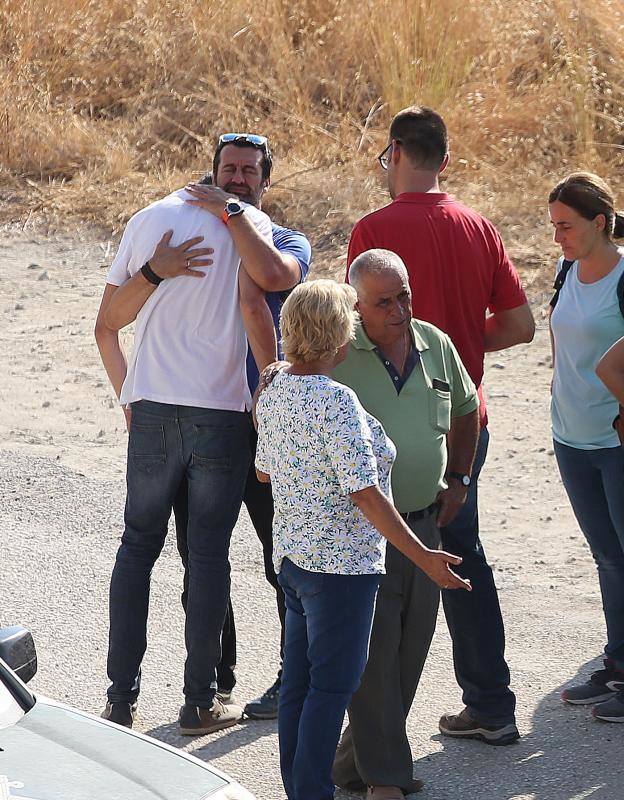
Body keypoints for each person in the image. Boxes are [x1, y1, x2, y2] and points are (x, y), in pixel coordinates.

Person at [347, 106, 535, 743]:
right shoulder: (479, 227)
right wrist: (463, 347)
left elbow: (357, 327)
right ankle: (490, 703)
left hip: (386, 420)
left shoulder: (375, 230)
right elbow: (520, 325)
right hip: (463, 420)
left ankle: (372, 726)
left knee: (378, 558)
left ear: (395, 152)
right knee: (463, 553)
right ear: (445, 160)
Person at [94, 133, 288, 735]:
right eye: (232, 168)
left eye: (247, 170)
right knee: (204, 556)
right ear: (214, 171)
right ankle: (198, 702)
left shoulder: (154, 217)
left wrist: (130, 394)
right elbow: (256, 303)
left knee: (138, 549)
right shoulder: (252, 228)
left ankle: (120, 700)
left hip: (156, 407)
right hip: (219, 412)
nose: (238, 178)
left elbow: (109, 322)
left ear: (262, 178)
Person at [254, 279, 471, 800]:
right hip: (342, 573)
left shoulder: (275, 390)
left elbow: (264, 472)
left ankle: (301, 788)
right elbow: (366, 494)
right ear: (338, 334)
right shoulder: (337, 402)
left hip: (295, 562)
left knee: (299, 686)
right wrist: (423, 556)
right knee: (331, 689)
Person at [329, 249, 479, 798]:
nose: (399, 311)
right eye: (383, 302)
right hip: (364, 533)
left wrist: (459, 477)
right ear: (357, 304)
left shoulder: (435, 343)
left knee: (409, 652)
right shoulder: (339, 351)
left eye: (404, 297)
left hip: (425, 525)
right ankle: (386, 778)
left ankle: (351, 765)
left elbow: (467, 409)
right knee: (374, 659)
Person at [548, 172, 624, 723]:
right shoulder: (565, 268)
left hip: (615, 440)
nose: (557, 237)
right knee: (608, 557)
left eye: (566, 226)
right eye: (553, 226)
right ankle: (618, 661)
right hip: (569, 436)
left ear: (600, 223)